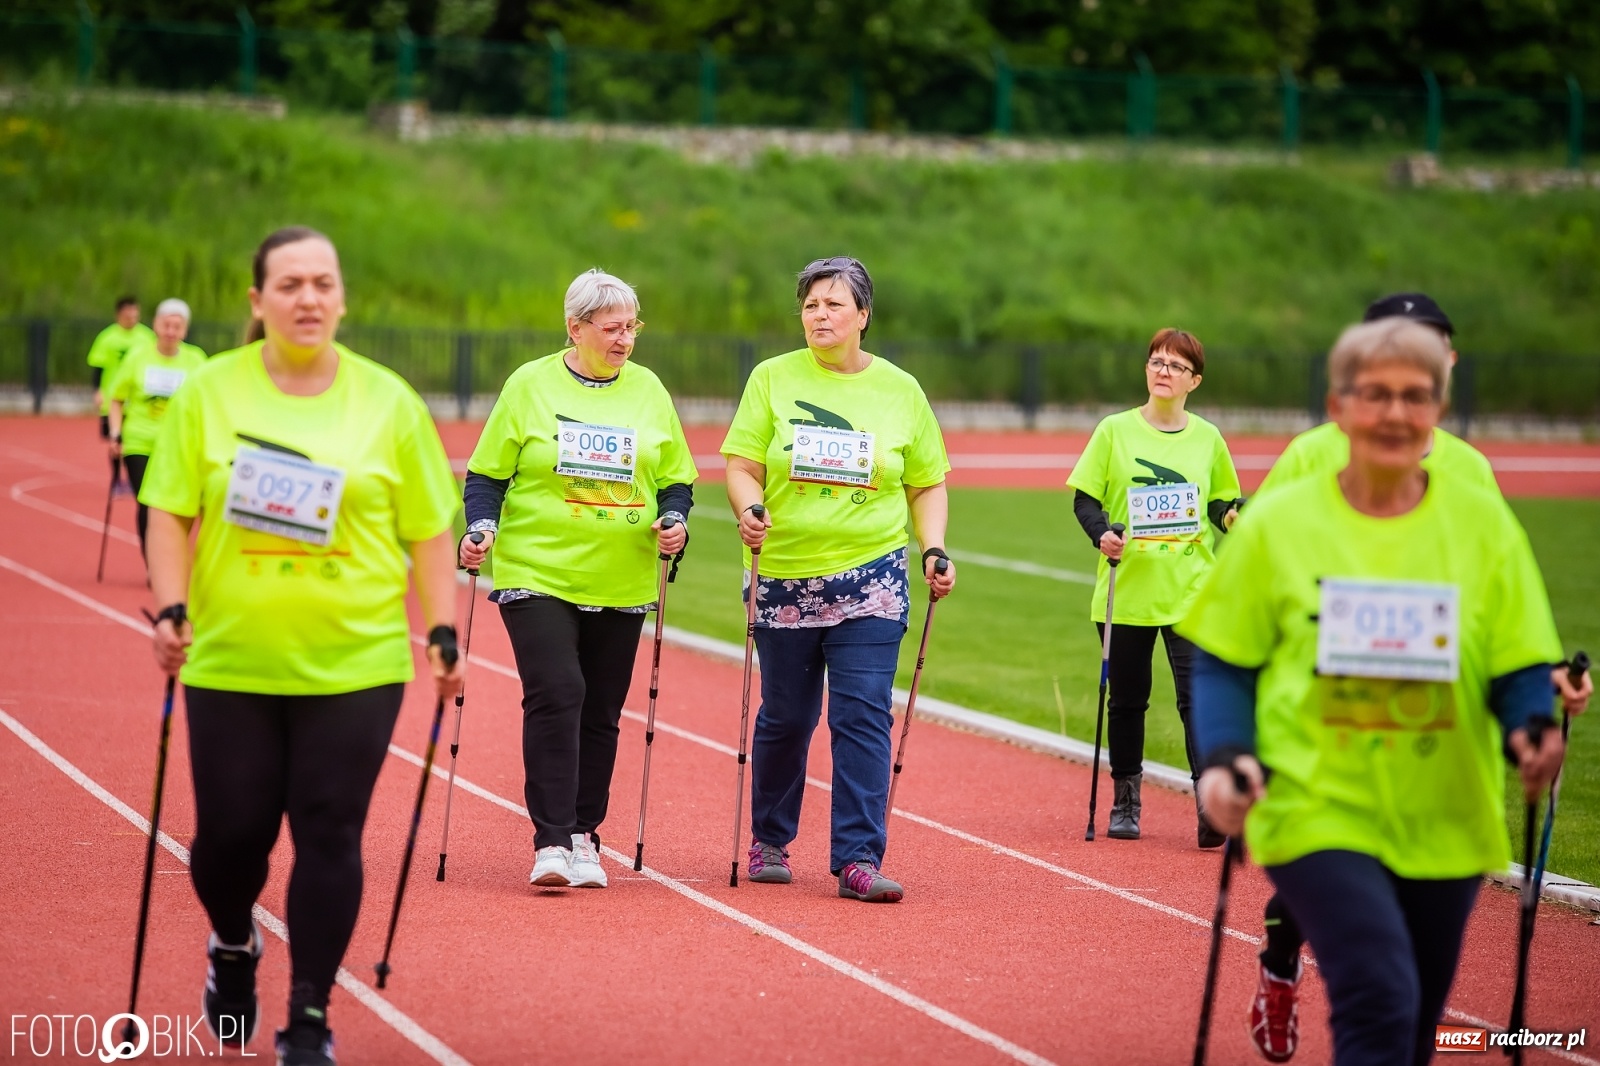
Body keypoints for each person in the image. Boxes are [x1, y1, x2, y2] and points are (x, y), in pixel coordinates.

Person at [1182, 318, 1577, 1066]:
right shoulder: (1281, 525)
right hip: (1315, 803)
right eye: (1376, 395)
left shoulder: (1483, 526)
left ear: (1439, 408)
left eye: (1415, 396)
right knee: (1380, 997)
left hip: (1445, 815)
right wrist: (1228, 755)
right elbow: (1225, 662)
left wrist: (1530, 725)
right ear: (1339, 406)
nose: (1395, 413)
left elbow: (1518, 661)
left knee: (1415, 1023)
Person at [139, 227, 464, 1066]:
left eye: (323, 282)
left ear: (343, 298)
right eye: (290, 284)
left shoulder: (388, 401)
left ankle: (310, 1014)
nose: (309, 298)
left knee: (330, 830)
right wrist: (171, 606)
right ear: (258, 301)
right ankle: (232, 941)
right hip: (232, 658)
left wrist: (441, 626)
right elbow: (168, 511)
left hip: (356, 662)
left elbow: (431, 529)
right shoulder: (210, 393)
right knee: (231, 840)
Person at [722, 256, 956, 904]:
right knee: (788, 717)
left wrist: (933, 548)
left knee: (862, 714)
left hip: (872, 579)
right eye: (810, 306)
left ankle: (858, 857)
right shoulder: (772, 378)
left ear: (863, 315)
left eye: (833, 305)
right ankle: (770, 839)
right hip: (785, 578)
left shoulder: (901, 390)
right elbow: (741, 465)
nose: (819, 316)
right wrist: (750, 509)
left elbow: (926, 482)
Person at [460, 269, 696, 890]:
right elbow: (487, 474)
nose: (625, 339)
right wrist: (481, 526)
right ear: (576, 328)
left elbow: (676, 478)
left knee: (601, 710)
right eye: (612, 328)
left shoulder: (648, 389)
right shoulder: (529, 384)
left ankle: (586, 834)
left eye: (632, 327)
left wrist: (674, 520)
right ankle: (552, 840)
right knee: (558, 690)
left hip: (621, 577)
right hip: (537, 568)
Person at [1065, 328, 1242, 846]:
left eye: (1176, 365)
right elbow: (1085, 499)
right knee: (1127, 701)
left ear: (1194, 381)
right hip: (1127, 591)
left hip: (1191, 592)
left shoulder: (1208, 438)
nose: (1164, 371)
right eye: (1156, 361)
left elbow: (1220, 502)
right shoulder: (1114, 431)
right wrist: (1102, 535)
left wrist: (1230, 516)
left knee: (1198, 700)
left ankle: (1210, 805)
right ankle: (1126, 800)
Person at [106, 298, 206, 556]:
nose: (171, 332)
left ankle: (170, 554)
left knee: (175, 505)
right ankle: (152, 561)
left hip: (178, 443)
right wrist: (116, 433)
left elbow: (207, 401)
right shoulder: (138, 357)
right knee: (148, 502)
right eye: (166, 325)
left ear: (185, 330)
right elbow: (116, 398)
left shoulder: (196, 360)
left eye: (177, 326)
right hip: (140, 440)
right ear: (156, 325)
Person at [86, 295, 155, 492]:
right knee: (115, 440)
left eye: (135, 314)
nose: (132, 318)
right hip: (113, 397)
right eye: (127, 314)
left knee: (134, 442)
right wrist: (97, 390)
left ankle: (136, 478)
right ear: (119, 315)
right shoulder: (107, 338)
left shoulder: (147, 336)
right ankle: (116, 479)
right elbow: (98, 366)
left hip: (138, 400)